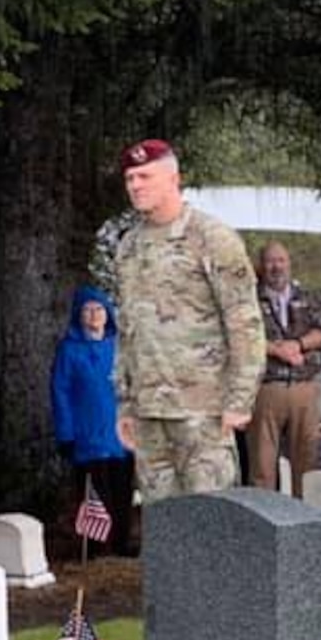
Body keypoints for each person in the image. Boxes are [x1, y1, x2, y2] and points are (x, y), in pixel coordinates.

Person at [113, 141, 266, 505]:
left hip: (203, 410)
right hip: (149, 412)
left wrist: (240, 399)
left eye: (144, 176)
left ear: (173, 178)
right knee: (164, 531)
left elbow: (244, 322)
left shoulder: (211, 238)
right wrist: (125, 404)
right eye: (130, 178)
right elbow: (127, 330)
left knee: (209, 525)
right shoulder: (129, 247)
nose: (135, 185)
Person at [49, 286, 136, 555]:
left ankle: (122, 543)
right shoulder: (70, 351)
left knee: (122, 491)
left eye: (99, 309)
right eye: (88, 310)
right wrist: (65, 434)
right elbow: (60, 392)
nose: (94, 315)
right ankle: (96, 548)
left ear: (108, 314)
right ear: (79, 315)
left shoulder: (119, 348)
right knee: (94, 494)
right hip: (87, 435)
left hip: (120, 435)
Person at [248, 241, 321, 498]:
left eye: (281, 260)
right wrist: (277, 350)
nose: (276, 267)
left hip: (304, 388)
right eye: (270, 261)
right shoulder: (249, 299)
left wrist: (298, 344)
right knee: (262, 466)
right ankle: (263, 525)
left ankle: (304, 524)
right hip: (267, 388)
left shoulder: (308, 297)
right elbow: (242, 336)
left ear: (289, 263)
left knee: (307, 463)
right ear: (262, 267)